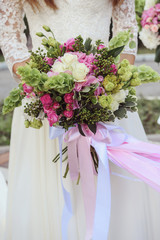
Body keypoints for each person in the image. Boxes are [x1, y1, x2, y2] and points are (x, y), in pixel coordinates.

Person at [0, 0, 160, 239]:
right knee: (50, 196)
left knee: (116, 195)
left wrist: (110, 85)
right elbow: (10, 35)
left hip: (105, 97)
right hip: (44, 105)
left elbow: (126, 30)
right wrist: (45, 88)